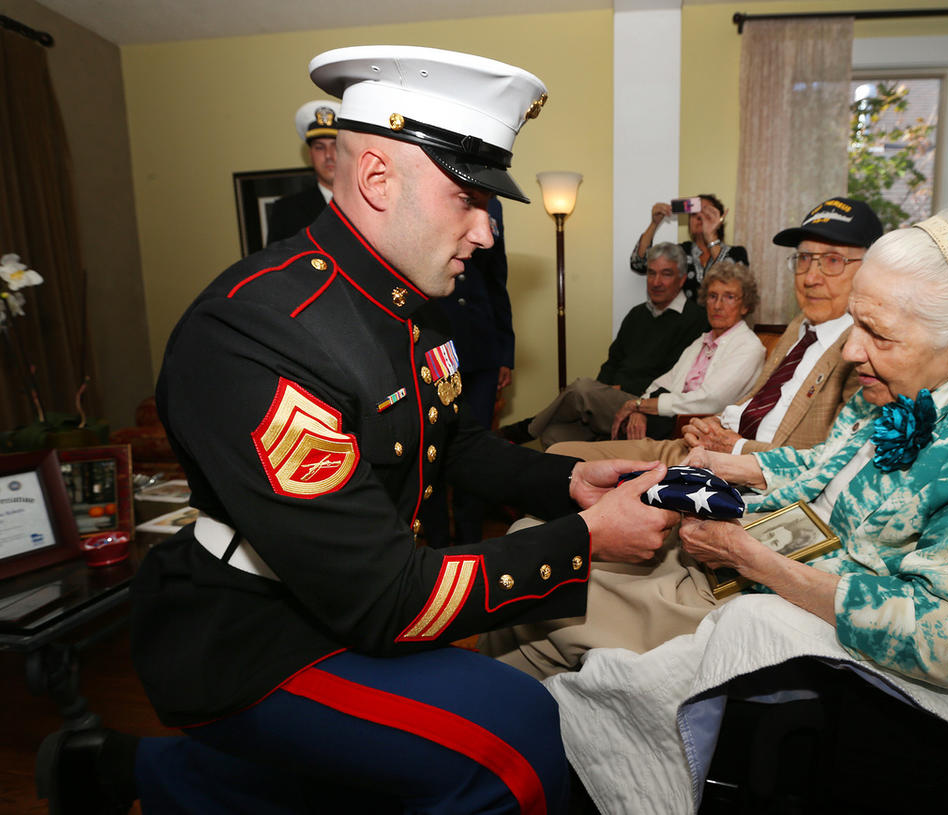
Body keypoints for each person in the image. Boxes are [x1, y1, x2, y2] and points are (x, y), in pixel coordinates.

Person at [37, 46, 679, 815]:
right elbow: (383, 597)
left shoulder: (415, 303)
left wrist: (566, 481)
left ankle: (122, 770)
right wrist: (587, 538)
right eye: (467, 198)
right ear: (377, 179)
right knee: (511, 742)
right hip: (256, 629)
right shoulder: (258, 332)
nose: (486, 232)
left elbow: (454, 442)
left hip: (354, 588)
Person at [479, 203, 948, 703]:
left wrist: (751, 559)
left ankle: (494, 755)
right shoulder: (906, 378)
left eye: (877, 333)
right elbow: (827, 466)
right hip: (770, 544)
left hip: (794, 602)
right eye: (856, 324)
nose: (852, 352)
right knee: (542, 539)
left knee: (540, 595)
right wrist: (737, 465)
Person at [549, 196, 882, 465]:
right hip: (700, 440)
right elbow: (749, 401)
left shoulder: (863, 353)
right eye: (804, 259)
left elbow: (828, 462)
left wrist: (731, 444)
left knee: (573, 434)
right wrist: (715, 422)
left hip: (735, 466)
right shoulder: (800, 326)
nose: (810, 276)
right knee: (558, 456)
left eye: (833, 260)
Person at [499, 242, 708, 447]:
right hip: (613, 400)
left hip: (650, 406)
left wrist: (621, 392)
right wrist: (603, 390)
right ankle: (598, 447)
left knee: (581, 389)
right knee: (554, 435)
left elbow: (674, 377)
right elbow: (613, 360)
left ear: (681, 280)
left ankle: (525, 429)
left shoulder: (695, 319)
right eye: (651, 273)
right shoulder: (637, 314)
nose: (656, 281)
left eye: (666, 274)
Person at [422, 195, 515, 547]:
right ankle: (437, 544)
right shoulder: (435, 188)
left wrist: (504, 351)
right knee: (431, 450)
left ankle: (472, 541)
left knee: (475, 450)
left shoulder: (492, 204)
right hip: (433, 341)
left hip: (481, 348)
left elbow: (496, 280)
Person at [609, 260, 766, 441]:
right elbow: (663, 382)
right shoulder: (702, 341)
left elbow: (709, 400)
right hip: (664, 416)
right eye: (712, 296)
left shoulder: (749, 347)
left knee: (588, 401)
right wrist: (640, 409)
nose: (717, 305)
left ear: (746, 305)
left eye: (729, 297)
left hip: (690, 429)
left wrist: (639, 406)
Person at [631, 194, 748, 299]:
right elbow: (639, 264)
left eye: (706, 213)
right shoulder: (680, 252)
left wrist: (711, 237)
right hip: (684, 322)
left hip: (723, 321)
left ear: (719, 220)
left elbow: (736, 285)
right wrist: (654, 223)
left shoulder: (737, 253)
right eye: (694, 213)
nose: (699, 217)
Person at [265, 99, 340, 244]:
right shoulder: (286, 211)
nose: (328, 155)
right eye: (319, 147)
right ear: (310, 155)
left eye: (335, 146)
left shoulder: (371, 203)